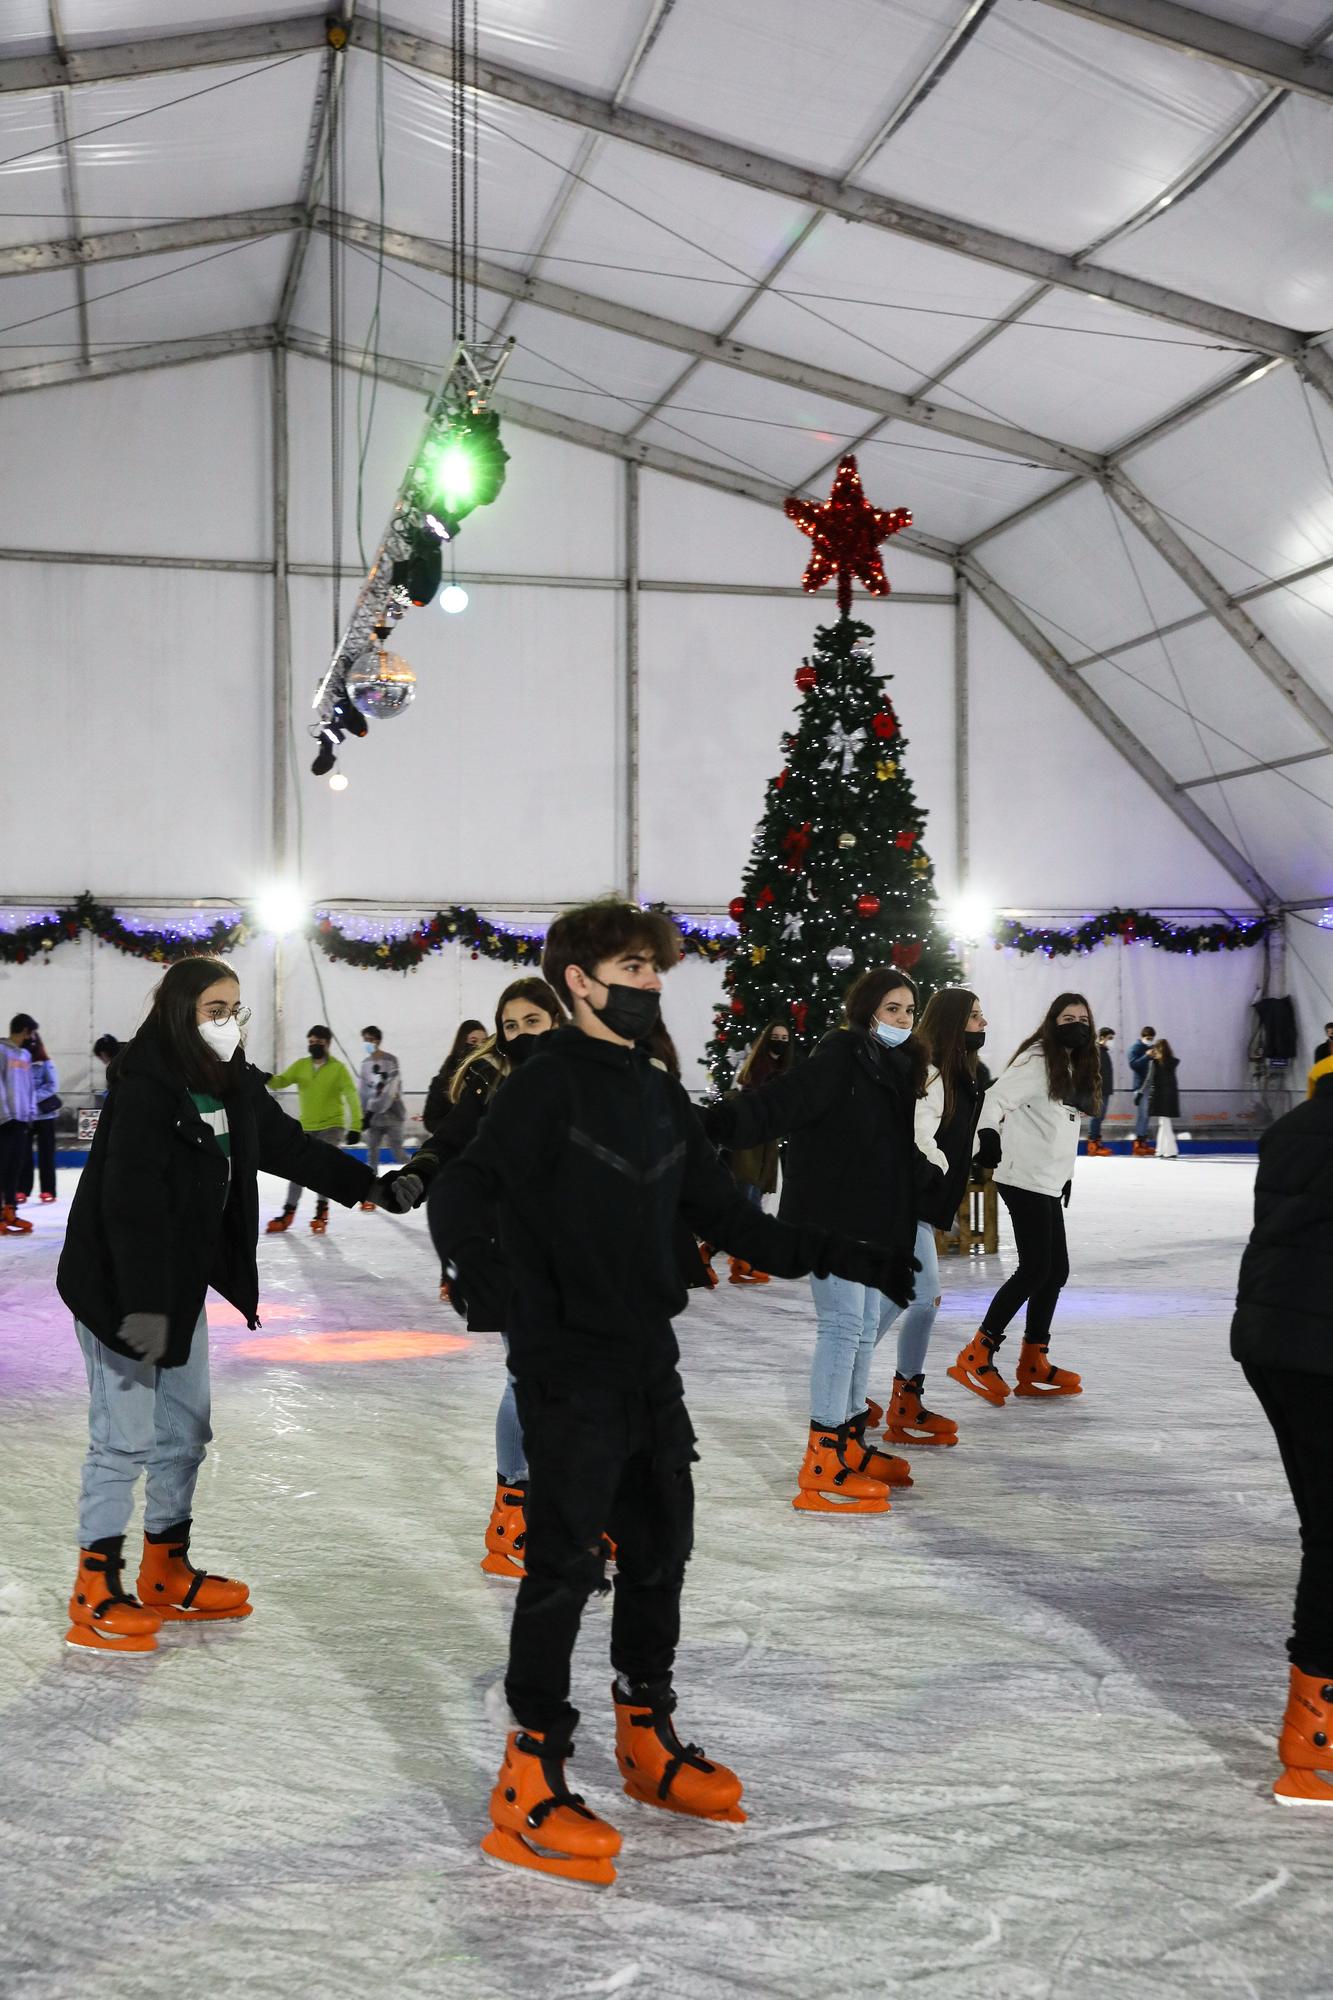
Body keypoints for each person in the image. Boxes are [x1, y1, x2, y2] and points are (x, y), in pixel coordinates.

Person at [423, 901, 913, 1885]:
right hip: (565, 1361)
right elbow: (463, 1188)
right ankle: (530, 1773)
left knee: (659, 1551)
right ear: (578, 981)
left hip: (648, 1354)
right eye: (629, 967)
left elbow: (723, 1211)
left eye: (656, 968)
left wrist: (840, 1251)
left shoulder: (653, 1090)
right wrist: (486, 1281)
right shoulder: (542, 1087)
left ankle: (647, 1735)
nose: (649, 983)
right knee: (562, 1566)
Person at [55, 957, 419, 1654]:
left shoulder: (229, 1084)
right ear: (178, 1011)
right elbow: (125, 1206)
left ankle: (166, 1569)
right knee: (123, 1437)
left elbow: (289, 1148)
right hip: (121, 1290)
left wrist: (370, 1187)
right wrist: (140, 1309)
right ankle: (94, 1588)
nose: (228, 1021)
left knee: (185, 1433)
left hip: (179, 1285)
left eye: (234, 1008)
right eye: (213, 1008)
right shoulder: (147, 1089)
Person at [703, 966, 931, 1513]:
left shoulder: (892, 1068)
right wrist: (708, 1124)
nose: (901, 1019)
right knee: (843, 1327)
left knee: (858, 1332)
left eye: (908, 1010)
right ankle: (823, 1458)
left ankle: (848, 1442)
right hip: (830, 1222)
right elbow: (777, 1105)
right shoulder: (840, 1058)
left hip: (872, 1226)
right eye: (891, 1008)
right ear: (866, 1009)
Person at [426, 977, 568, 1580]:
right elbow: (452, 1146)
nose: (519, 1035)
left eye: (532, 1022)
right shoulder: (490, 1086)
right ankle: (512, 1517)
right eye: (511, 1026)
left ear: (557, 1023)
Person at [1232, 1065, 1333, 1806]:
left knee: (1323, 1530)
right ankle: (1314, 1738)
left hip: (1271, 1343)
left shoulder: (1291, 1128)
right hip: (1317, 1345)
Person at [950, 992, 1100, 1404]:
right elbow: (994, 1099)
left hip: (1047, 1180)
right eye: (1068, 1017)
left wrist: (1065, 1175)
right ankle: (978, 1352)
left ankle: (1034, 1360)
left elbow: (1058, 1123)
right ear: (1052, 1022)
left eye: (1083, 1018)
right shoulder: (1037, 1059)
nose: (1077, 1024)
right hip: (1023, 1177)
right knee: (1036, 1268)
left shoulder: (1070, 1064)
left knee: (1055, 1270)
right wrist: (988, 1137)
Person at [874, 986, 989, 1447]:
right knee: (920, 1298)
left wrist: (983, 1146)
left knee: (910, 1299)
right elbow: (920, 1134)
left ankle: (900, 1397)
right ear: (953, 1021)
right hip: (907, 1198)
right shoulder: (935, 1072)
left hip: (920, 1201)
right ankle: (894, 1398)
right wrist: (938, 1173)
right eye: (975, 1016)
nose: (983, 1024)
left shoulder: (962, 1073)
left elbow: (955, 1132)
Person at [264, 1025, 362, 1234]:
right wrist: (263, 1077)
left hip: (332, 1127)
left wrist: (356, 1126)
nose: (314, 1046)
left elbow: (351, 1096)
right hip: (307, 1126)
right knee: (296, 1168)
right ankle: (288, 1213)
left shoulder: (338, 1069)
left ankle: (321, 1212)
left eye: (318, 1042)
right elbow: (281, 1081)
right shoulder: (301, 1066)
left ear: (327, 1043)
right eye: (311, 1042)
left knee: (322, 1168)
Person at [722, 1020, 793, 1286]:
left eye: (784, 1037)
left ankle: (736, 1258)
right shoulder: (759, 1066)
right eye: (775, 1036)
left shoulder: (779, 1068)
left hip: (764, 1142)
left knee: (753, 1200)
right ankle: (742, 1261)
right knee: (749, 1201)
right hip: (751, 1142)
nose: (779, 1041)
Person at [0, 1012, 38, 1235]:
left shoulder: (24, 1055)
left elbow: (29, 1086)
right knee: (2, 1167)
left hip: (22, 1119)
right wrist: (4, 1114)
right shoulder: (2, 1051)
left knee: (15, 1167)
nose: (31, 1038)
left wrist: (30, 1112)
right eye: (30, 1033)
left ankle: (10, 1210)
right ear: (24, 1031)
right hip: (5, 1120)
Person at [358, 1024, 407, 1188]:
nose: (367, 1043)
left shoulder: (391, 1060)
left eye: (370, 1039)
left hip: (393, 1115)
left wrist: (371, 1111)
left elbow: (391, 1089)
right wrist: (363, 1115)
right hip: (373, 1118)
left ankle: (421, 1176)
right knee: (372, 1153)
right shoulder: (365, 1064)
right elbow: (363, 1091)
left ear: (378, 1040)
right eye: (365, 1040)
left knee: (398, 1153)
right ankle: (372, 1189)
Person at [18, 1028, 59, 1204]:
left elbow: (52, 1086)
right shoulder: (17, 1065)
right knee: (23, 1154)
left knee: (46, 1154)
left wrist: (31, 1098)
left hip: (45, 1117)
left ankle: (48, 1190)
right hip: (24, 1117)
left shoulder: (46, 1064)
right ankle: (22, 1189)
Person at [423, 1020, 487, 1131]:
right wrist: (453, 1134)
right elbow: (431, 1120)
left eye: (484, 1042)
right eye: (474, 1041)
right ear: (461, 1044)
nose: (480, 1047)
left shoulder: (490, 1078)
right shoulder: (442, 1082)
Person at [1148, 1037, 1181, 1158]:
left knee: (1165, 1123)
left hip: (1162, 1096)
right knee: (1163, 1123)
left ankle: (1171, 1150)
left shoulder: (1158, 1063)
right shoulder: (1170, 1062)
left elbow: (1150, 1080)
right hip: (1169, 1095)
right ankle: (1160, 1149)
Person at [1086, 1027, 1116, 1155]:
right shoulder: (1096, 1051)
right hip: (1098, 1091)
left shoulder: (1104, 1051)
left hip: (1105, 1090)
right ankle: (1093, 1144)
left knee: (1100, 1117)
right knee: (1096, 1116)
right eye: (1110, 1038)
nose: (1112, 1041)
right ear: (1102, 1037)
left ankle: (1096, 1140)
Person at [1128, 1025, 1156, 1157]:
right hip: (1140, 1087)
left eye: (1152, 1038)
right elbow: (1133, 1064)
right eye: (1148, 1038)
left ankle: (1143, 1140)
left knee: (1147, 1115)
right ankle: (1138, 1143)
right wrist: (1146, 1056)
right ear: (1142, 1037)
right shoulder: (1136, 1048)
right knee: (1142, 1115)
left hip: (1150, 1087)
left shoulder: (1151, 1048)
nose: (1150, 1040)